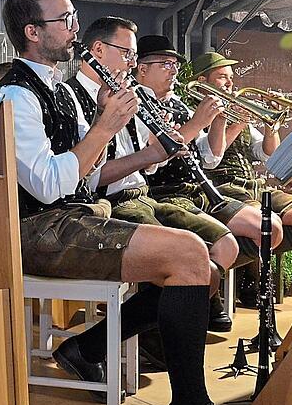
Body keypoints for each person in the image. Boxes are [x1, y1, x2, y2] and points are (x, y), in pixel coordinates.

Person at [0, 0, 271, 405]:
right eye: (64, 20)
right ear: (32, 32)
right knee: (189, 253)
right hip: (38, 230)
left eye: (74, 16)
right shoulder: (18, 95)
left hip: (74, 215)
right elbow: (46, 185)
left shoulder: (57, 90)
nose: (74, 28)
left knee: (200, 267)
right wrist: (105, 126)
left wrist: (109, 127)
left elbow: (85, 177)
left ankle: (153, 385)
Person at [66, 17, 238, 332]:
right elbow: (91, 177)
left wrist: (161, 146)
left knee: (224, 248)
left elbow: (150, 162)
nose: (132, 65)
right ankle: (139, 341)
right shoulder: (73, 97)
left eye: (134, 57)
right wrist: (154, 152)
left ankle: (101, 344)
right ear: (98, 51)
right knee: (197, 267)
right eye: (127, 55)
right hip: (110, 203)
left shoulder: (127, 93)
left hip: (142, 195)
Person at [191, 52, 292, 302]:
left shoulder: (235, 109)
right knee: (269, 228)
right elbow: (209, 157)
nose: (230, 84)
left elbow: (269, 153)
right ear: (203, 80)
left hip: (254, 186)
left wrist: (271, 125)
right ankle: (232, 277)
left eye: (231, 78)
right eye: (222, 77)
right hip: (222, 188)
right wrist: (235, 123)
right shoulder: (194, 112)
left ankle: (239, 265)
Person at [137, 36, 283, 266]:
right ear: (142, 69)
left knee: (271, 228)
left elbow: (211, 158)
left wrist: (219, 120)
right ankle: (204, 282)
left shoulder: (178, 104)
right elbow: (153, 159)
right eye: (166, 64)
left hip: (199, 190)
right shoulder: (137, 103)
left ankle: (208, 275)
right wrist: (197, 123)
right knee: (230, 244)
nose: (173, 71)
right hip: (167, 192)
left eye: (175, 65)